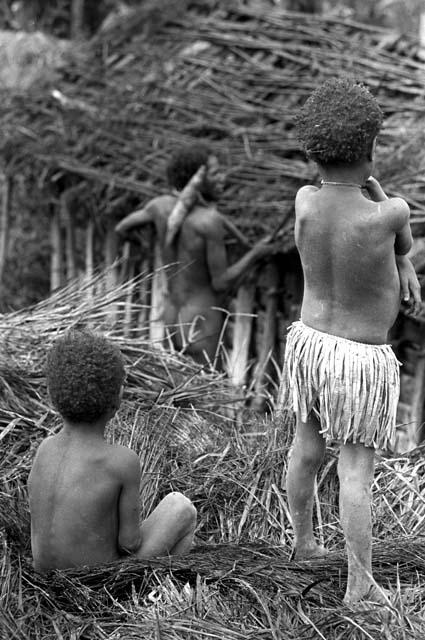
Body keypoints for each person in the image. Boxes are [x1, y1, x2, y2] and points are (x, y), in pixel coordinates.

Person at [277, 78, 421, 605]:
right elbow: (397, 234)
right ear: (372, 148)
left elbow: (368, 231)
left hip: (311, 344)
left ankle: (303, 543)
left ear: (313, 152)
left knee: (306, 445)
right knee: (355, 469)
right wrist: (403, 260)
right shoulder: (391, 212)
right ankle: (360, 583)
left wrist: (398, 261)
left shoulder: (305, 202)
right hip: (361, 360)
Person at [28, 330, 197, 572]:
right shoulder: (121, 461)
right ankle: (153, 596)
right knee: (180, 507)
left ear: (54, 394)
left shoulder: (45, 449)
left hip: (46, 580)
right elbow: (129, 544)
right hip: (98, 585)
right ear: (115, 401)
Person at [115, 144, 275, 367]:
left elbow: (122, 228)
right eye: (215, 173)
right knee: (210, 392)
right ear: (197, 180)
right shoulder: (209, 221)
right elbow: (221, 282)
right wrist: (255, 254)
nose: (222, 178)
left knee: (178, 391)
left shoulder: (158, 207)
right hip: (201, 320)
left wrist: (144, 242)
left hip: (171, 316)